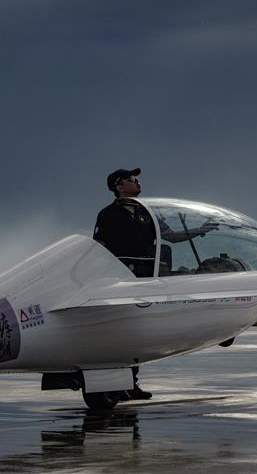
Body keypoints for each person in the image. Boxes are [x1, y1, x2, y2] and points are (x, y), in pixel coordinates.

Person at [93, 167, 154, 401]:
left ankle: (131, 384)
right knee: (122, 334)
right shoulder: (108, 214)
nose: (137, 182)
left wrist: (199, 231)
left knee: (137, 335)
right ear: (119, 187)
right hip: (120, 281)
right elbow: (99, 245)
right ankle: (118, 385)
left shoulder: (146, 213)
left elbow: (166, 235)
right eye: (131, 179)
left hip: (145, 282)